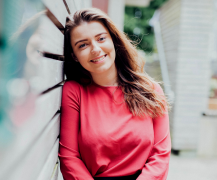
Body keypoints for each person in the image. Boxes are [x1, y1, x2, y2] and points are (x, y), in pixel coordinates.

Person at [59, 8, 171, 180]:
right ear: (74, 56)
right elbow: (69, 157)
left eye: (101, 38)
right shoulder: (74, 91)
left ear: (113, 40)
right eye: (83, 44)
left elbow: (161, 156)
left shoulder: (151, 91)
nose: (95, 49)